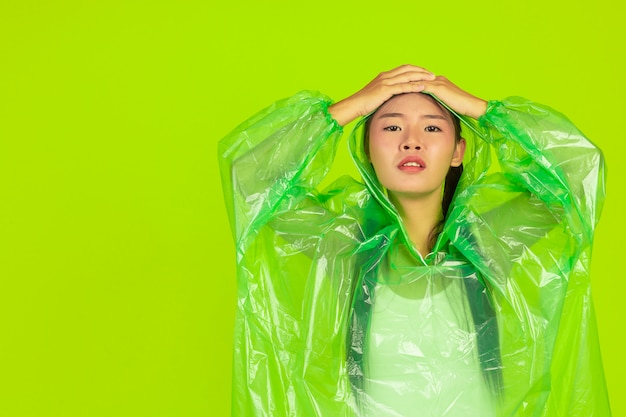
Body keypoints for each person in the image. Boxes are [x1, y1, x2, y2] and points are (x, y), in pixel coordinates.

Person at [218, 65, 611, 416]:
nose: (411, 141)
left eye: (432, 127)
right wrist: (349, 108)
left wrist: (482, 110)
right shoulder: (343, 245)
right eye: (391, 127)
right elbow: (250, 180)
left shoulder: (487, 242)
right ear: (367, 151)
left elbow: (580, 171)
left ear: (459, 151)